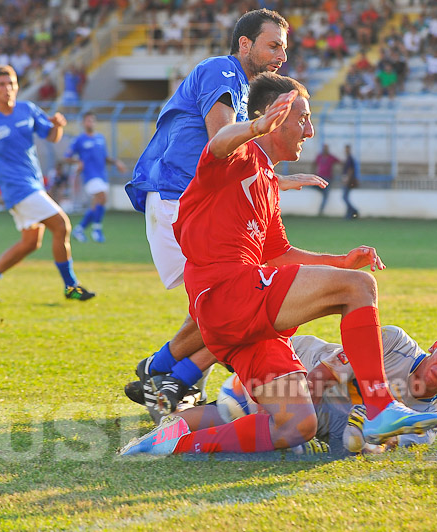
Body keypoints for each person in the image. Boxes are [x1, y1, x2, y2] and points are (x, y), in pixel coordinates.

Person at [119, 72, 437, 457]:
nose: (310, 130)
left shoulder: (267, 181)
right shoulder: (241, 154)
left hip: (235, 319)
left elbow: (279, 253)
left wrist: (339, 261)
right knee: (359, 288)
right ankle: (381, 407)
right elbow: (219, 142)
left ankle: (165, 445)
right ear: (272, 115)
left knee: (297, 425)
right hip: (228, 292)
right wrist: (255, 127)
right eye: (302, 117)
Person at [124, 9, 325, 420]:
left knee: (228, 306)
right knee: (232, 308)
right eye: (273, 45)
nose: (280, 57)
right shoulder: (224, 70)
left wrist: (269, 178)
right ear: (245, 44)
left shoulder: (242, 89)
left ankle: (172, 381)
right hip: (181, 197)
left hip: (192, 199)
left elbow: (237, 153)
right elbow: (222, 140)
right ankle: (165, 374)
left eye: (284, 49)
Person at [175, 326, 437, 455]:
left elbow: (378, 447)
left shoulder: (427, 420)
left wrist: (365, 442)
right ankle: (177, 384)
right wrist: (279, 418)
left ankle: (180, 415)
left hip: (321, 413)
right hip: (297, 362)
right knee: (242, 414)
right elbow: (321, 377)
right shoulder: (393, 341)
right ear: (436, 346)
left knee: (283, 440)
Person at [0, 65, 95, 302]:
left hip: (33, 183)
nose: (7, 89)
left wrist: (58, 126)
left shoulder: (27, 110)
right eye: (2, 85)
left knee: (31, 242)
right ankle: (71, 286)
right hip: (17, 188)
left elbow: (51, 135)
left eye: (12, 84)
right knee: (61, 226)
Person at [64, 111, 127, 243]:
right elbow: (67, 157)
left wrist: (117, 163)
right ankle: (96, 229)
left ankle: (79, 229)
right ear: (83, 123)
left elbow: (105, 157)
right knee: (102, 197)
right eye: (88, 121)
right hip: (89, 175)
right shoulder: (79, 140)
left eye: (92, 120)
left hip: (101, 175)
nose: (90, 123)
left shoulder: (100, 138)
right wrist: (78, 162)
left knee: (97, 204)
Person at [314, 144, 340, 216]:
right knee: (310, 185)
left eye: (326, 148)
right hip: (320, 177)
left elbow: (339, 162)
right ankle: (322, 191)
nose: (325, 150)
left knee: (325, 195)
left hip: (327, 178)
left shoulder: (331, 157)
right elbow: (314, 164)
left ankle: (321, 211)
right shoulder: (319, 156)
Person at [341, 144, 359, 219]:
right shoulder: (348, 158)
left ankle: (353, 211)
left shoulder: (350, 159)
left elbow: (350, 170)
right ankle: (350, 214)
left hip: (349, 180)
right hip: (348, 179)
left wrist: (347, 179)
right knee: (345, 197)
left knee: (344, 197)